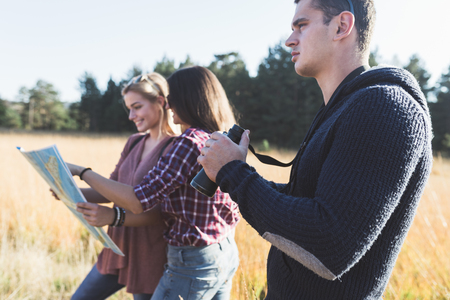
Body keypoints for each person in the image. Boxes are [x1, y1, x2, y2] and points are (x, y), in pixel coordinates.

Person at [197, 0, 433, 299]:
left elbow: (329, 245)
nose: (289, 40)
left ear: (341, 26)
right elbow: (314, 202)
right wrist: (235, 171)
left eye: (302, 25)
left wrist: (235, 174)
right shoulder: (345, 107)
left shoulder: (383, 107)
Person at [68, 66, 241, 300]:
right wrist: (69, 191)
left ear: (186, 100)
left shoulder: (186, 143)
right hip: (223, 250)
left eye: (171, 99)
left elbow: (139, 200)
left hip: (190, 259)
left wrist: (82, 171)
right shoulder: (221, 139)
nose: (169, 105)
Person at [56, 72, 177, 300]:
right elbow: (109, 188)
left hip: (149, 253)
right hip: (117, 246)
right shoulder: (134, 142)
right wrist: (68, 193)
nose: (131, 116)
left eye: (137, 107)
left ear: (160, 101)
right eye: (129, 109)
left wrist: (112, 215)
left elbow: (164, 212)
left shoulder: (176, 148)